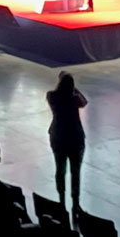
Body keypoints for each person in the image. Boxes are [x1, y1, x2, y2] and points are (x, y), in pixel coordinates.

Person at [46, 71, 88, 213]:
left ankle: (61, 200)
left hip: (58, 138)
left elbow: (55, 93)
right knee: (75, 173)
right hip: (75, 139)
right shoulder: (75, 99)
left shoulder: (52, 96)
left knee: (60, 170)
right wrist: (74, 88)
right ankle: (75, 203)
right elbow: (84, 101)